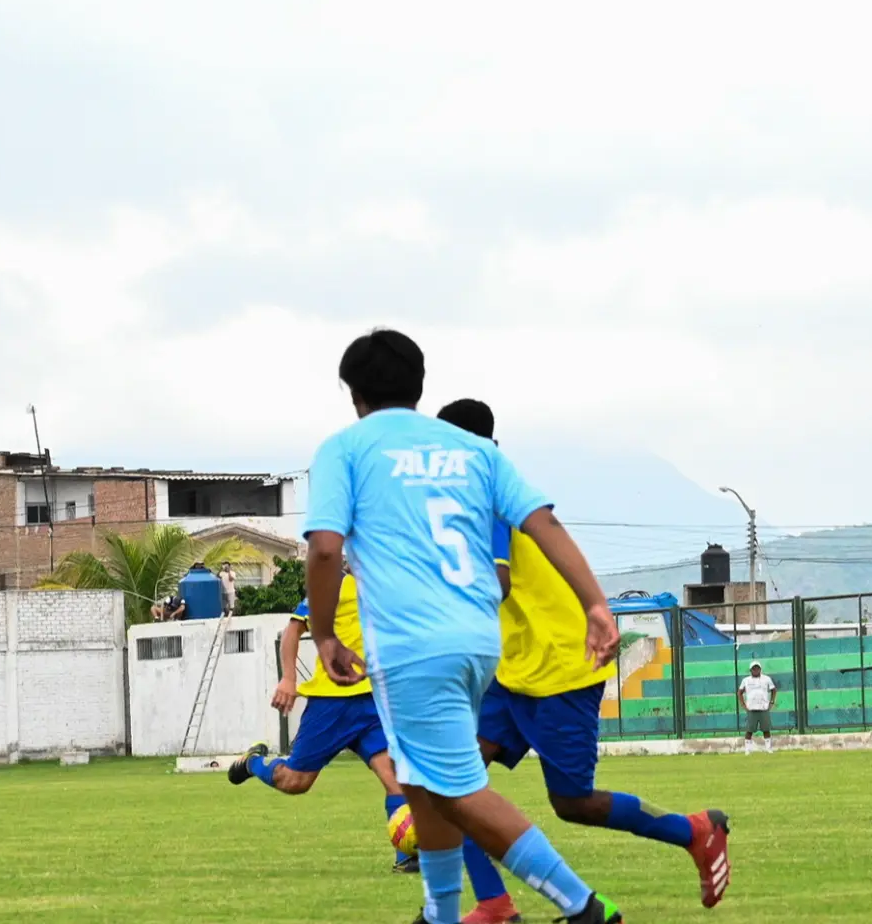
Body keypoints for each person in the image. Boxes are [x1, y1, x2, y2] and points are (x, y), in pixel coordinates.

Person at [302, 329, 625, 924]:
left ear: (354, 394)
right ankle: (440, 912)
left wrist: (323, 634)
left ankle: (584, 908)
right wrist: (596, 605)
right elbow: (542, 522)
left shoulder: (345, 449)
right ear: (419, 386)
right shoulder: (474, 450)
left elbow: (325, 550)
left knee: (456, 789)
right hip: (478, 640)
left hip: (410, 646)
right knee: (421, 781)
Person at [438, 398, 733, 922]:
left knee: (572, 803)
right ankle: (494, 905)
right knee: (452, 785)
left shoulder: (484, 492)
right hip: (516, 673)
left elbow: (496, 581)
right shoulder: (486, 491)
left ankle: (694, 830)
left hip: (559, 669)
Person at [225, 566, 416, 873]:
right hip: (331, 703)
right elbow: (293, 631)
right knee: (295, 781)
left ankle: (406, 855)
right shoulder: (331, 584)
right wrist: (288, 679)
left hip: (371, 703)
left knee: (396, 778)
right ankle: (253, 763)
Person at [737, 662, 776, 754]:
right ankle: (747, 750)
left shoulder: (767, 679)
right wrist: (743, 704)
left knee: (766, 730)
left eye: (757, 668)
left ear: (760, 669)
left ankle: (768, 749)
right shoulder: (746, 680)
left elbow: (774, 690)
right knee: (749, 730)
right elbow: (739, 692)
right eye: (754, 669)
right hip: (751, 709)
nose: (756, 670)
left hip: (763, 708)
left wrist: (772, 702)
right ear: (750, 670)